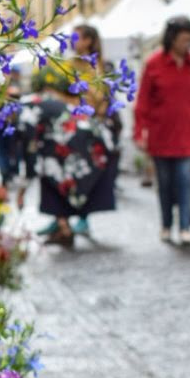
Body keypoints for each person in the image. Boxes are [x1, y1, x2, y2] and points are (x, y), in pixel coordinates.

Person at [133, 16, 190, 245]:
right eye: (184, 39)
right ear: (172, 38)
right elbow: (143, 102)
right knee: (165, 185)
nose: (188, 44)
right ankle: (166, 225)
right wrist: (140, 132)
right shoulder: (154, 64)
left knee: (185, 181)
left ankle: (185, 227)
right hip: (161, 136)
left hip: (188, 134)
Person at [24, 67, 115, 249]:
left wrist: (23, 183)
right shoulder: (42, 101)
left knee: (53, 177)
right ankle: (64, 228)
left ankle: (65, 230)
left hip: (78, 143)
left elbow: (28, 146)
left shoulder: (28, 107)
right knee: (55, 178)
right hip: (93, 140)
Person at [69, 23, 121, 234]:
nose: (72, 42)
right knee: (70, 173)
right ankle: (63, 217)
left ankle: (83, 217)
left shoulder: (103, 67)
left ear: (88, 40)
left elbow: (105, 98)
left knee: (87, 173)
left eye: (76, 38)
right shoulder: (69, 65)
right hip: (73, 125)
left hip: (95, 127)